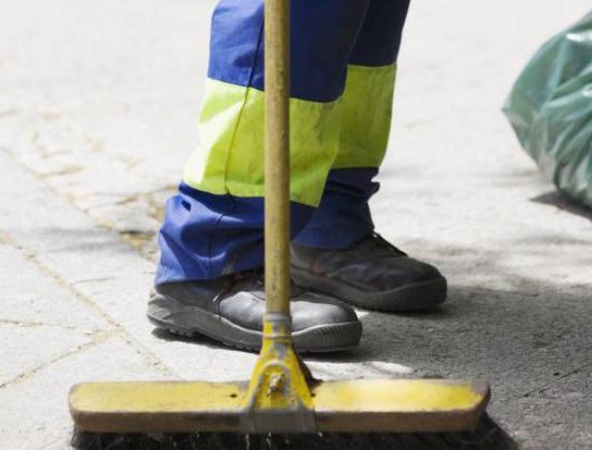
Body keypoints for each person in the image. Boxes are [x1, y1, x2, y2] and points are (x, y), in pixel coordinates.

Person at [148, 0, 445, 353]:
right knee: (298, 12)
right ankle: (216, 253)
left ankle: (322, 223)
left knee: (363, 17)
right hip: (218, 254)